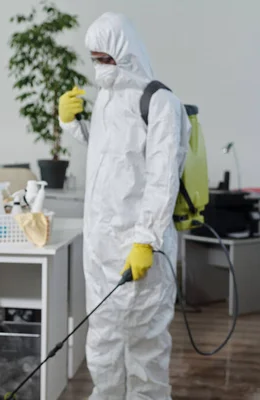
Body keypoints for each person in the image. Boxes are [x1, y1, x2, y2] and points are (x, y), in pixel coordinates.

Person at [58, 12, 190, 399]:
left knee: (145, 344)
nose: (100, 67)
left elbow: (163, 176)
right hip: (100, 250)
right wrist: (71, 123)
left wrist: (146, 239)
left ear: (125, 52)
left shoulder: (161, 101)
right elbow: (108, 157)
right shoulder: (105, 103)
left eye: (106, 58)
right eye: (94, 58)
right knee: (102, 342)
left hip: (140, 246)